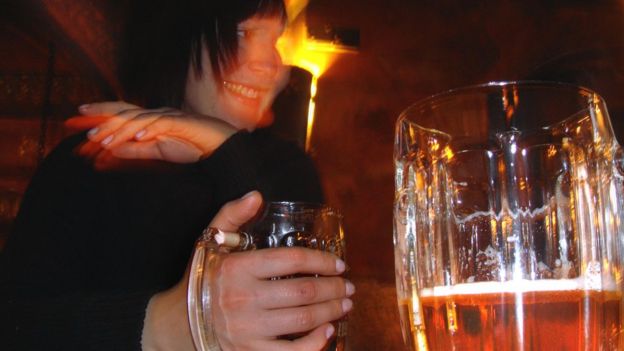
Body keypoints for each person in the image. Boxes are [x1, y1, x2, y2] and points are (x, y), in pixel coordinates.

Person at [0, 0, 354, 350]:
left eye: (275, 40)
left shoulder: (287, 168)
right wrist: (166, 326)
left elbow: (305, 322)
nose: (271, 64)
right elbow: (17, 325)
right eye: (242, 32)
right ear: (180, 38)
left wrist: (227, 152)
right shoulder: (89, 161)